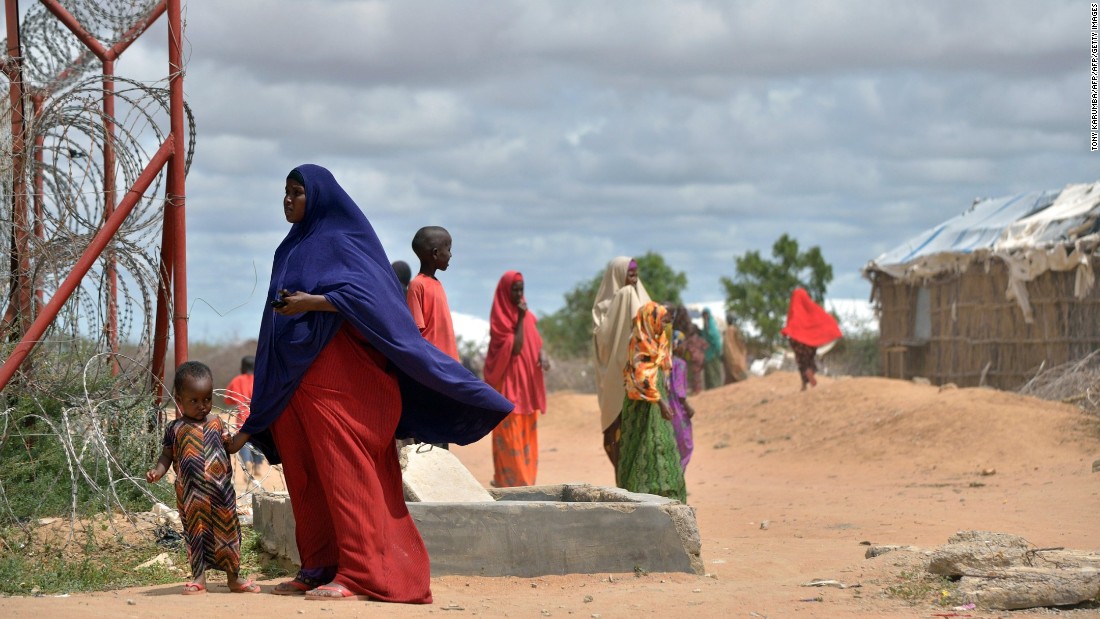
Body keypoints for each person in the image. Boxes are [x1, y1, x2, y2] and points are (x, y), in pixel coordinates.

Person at [223, 164, 512, 603]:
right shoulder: (289, 249)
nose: (287, 200)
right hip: (295, 384)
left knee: (346, 476)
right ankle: (318, 566)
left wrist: (314, 302)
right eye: (284, 192)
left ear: (316, 197)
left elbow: (375, 302)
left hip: (341, 385)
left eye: (296, 192)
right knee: (306, 479)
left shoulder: (345, 241)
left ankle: (361, 575)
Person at [146, 361, 261, 596]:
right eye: (194, 401)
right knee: (195, 535)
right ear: (179, 400)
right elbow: (166, 455)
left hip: (221, 494)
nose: (202, 406)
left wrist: (241, 434)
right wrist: (158, 471)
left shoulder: (216, 423)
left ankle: (234, 578)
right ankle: (199, 578)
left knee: (228, 534)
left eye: (207, 399)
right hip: (191, 497)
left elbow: (230, 448)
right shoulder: (175, 429)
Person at [483, 271, 549, 488]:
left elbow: (535, 342)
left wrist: (543, 356)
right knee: (509, 435)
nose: (519, 294)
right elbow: (516, 347)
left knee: (527, 435)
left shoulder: (528, 316)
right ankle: (509, 483)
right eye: (515, 289)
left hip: (526, 387)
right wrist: (520, 319)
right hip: (508, 387)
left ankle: (527, 482)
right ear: (505, 291)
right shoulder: (500, 320)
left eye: (521, 289)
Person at [617, 302, 687, 502]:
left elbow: (664, 363)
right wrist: (662, 403)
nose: (665, 326)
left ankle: (668, 492)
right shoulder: (638, 342)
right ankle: (639, 497)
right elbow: (640, 378)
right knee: (643, 447)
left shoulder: (659, 340)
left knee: (661, 446)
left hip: (657, 402)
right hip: (642, 406)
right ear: (651, 320)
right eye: (662, 321)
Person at [591, 256, 651, 472]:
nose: (634, 280)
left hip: (640, 380)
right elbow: (604, 345)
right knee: (618, 438)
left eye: (636, 274)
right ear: (618, 275)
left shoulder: (642, 299)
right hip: (615, 380)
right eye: (630, 274)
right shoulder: (603, 308)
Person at [406, 226, 459, 361]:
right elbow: (416, 332)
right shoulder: (417, 285)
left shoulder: (437, 284)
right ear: (435, 253)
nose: (450, 255)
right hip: (433, 362)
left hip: (448, 361)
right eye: (448, 250)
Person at [780, 287, 842, 391]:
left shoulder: (794, 309)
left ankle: (804, 383)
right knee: (809, 359)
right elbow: (822, 318)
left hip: (797, 341)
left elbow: (790, 324)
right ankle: (810, 371)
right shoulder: (811, 308)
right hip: (810, 342)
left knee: (801, 362)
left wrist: (786, 333)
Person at [224, 355, 266, 488]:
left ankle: (247, 462)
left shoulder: (237, 380)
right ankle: (258, 464)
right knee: (259, 442)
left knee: (243, 442)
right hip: (259, 417)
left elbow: (227, 399)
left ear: (242, 367)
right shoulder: (260, 380)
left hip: (242, 417)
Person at [668, 330, 695, 471]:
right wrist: (688, 408)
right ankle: (679, 476)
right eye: (683, 343)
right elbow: (679, 391)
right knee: (685, 444)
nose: (684, 346)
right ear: (676, 344)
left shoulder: (665, 362)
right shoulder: (680, 364)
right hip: (677, 409)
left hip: (666, 408)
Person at [721, 313, 750, 384]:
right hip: (736, 355)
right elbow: (740, 342)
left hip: (729, 356)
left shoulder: (726, 332)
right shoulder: (735, 330)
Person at [701, 308, 724, 389]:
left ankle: (716, 387)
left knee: (715, 372)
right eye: (703, 315)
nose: (705, 317)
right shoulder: (704, 327)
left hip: (714, 353)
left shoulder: (712, 326)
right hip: (707, 354)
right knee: (709, 373)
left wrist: (718, 351)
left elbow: (715, 339)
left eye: (706, 315)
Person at [683, 323, 708, 395]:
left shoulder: (689, 339)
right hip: (700, 357)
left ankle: (697, 390)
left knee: (696, 375)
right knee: (698, 374)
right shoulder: (699, 338)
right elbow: (706, 345)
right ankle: (698, 389)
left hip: (694, 358)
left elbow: (685, 346)